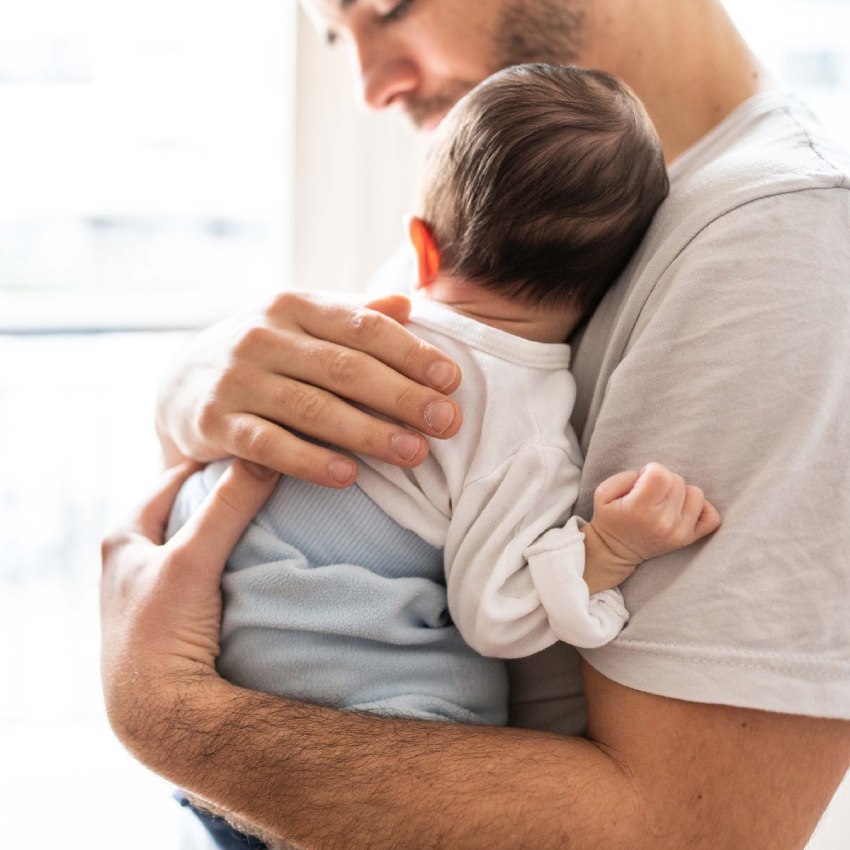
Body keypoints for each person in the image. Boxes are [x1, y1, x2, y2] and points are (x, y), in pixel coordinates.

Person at [100, 2, 850, 848]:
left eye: (386, 7)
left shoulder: (781, 243)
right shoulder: (527, 197)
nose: (370, 87)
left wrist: (166, 714)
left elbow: (684, 833)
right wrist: (190, 390)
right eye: (337, 40)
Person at [167, 63, 719, 746]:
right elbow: (499, 615)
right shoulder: (525, 430)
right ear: (610, 287)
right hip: (337, 688)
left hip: (211, 630)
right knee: (464, 707)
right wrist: (607, 549)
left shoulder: (349, 329)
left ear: (422, 248)